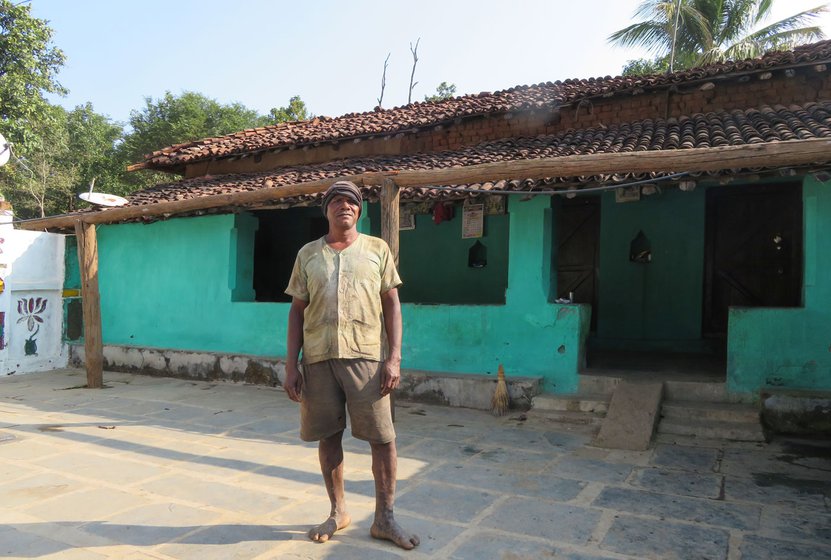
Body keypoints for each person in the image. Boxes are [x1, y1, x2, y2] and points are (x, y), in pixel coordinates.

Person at [283, 180, 419, 550]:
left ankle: (385, 518)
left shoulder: (377, 249)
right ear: (325, 210)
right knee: (328, 436)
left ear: (360, 210)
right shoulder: (308, 254)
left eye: (351, 202)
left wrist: (394, 357)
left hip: (367, 359)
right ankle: (338, 510)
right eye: (336, 201)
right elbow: (297, 310)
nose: (344, 206)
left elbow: (392, 304)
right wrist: (291, 364)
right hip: (318, 358)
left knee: (382, 439)